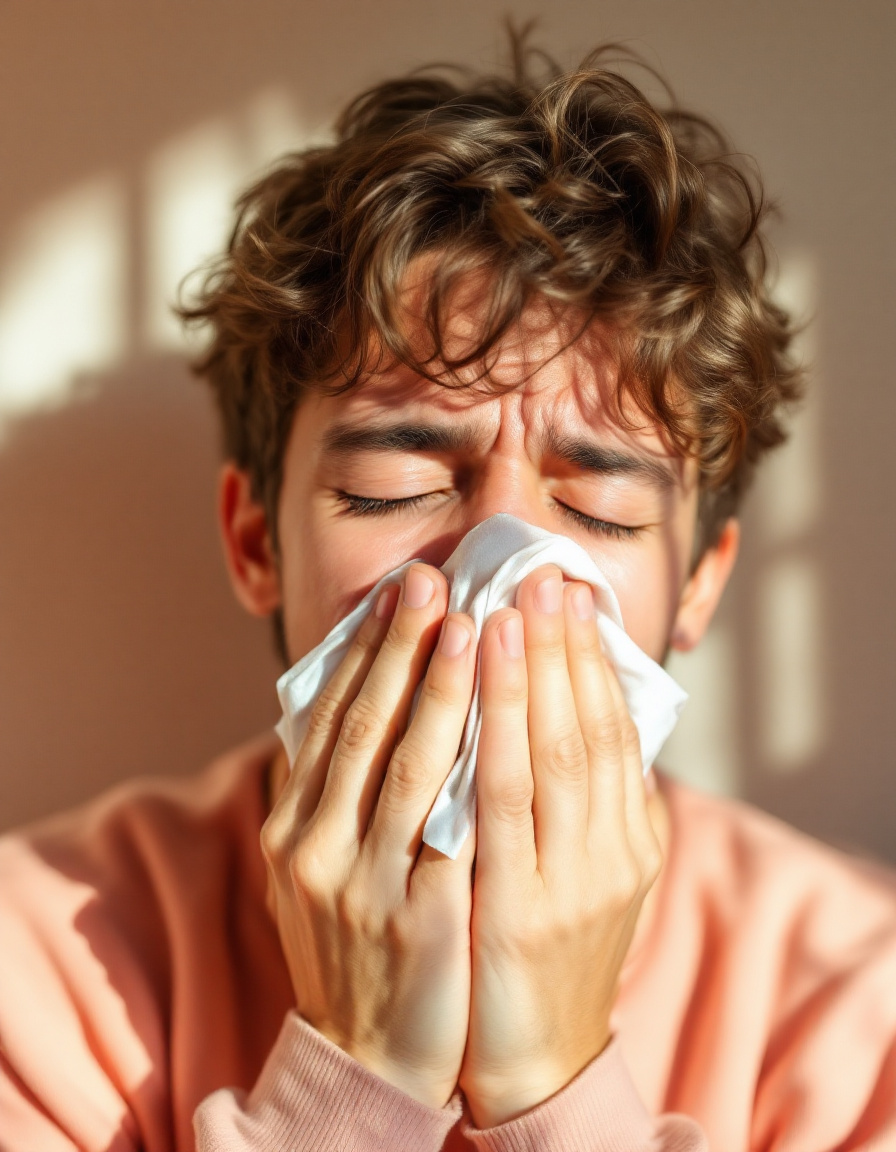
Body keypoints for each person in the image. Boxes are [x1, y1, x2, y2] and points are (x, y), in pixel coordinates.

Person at [2, 38, 895, 1152]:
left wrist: (550, 1086)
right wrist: (358, 1070)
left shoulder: (861, 1014)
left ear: (701, 583)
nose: (497, 581)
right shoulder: (35, 972)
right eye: (395, 487)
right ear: (254, 542)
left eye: (602, 509)